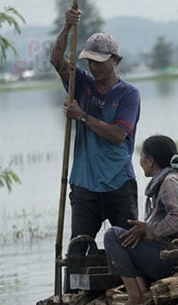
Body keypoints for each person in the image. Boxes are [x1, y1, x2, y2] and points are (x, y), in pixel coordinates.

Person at [50, 7, 141, 243]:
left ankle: (129, 281)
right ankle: (75, 280)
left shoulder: (128, 94)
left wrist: (82, 116)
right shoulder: (81, 83)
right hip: (84, 184)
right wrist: (67, 26)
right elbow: (56, 60)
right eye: (89, 61)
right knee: (78, 247)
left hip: (118, 182)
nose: (93, 67)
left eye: (99, 62)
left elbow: (118, 134)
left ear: (115, 60)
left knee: (127, 244)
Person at [104, 135, 178, 305]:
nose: (141, 161)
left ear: (150, 160)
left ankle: (135, 297)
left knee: (113, 235)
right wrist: (145, 231)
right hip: (172, 252)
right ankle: (143, 294)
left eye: (142, 156)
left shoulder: (170, 182)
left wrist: (149, 229)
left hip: (176, 256)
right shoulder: (166, 181)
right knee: (130, 237)